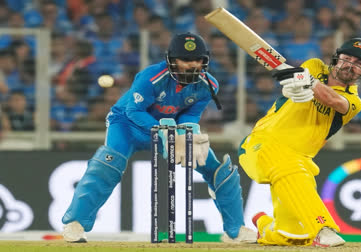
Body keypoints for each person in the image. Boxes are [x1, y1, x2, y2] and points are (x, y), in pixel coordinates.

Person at [61, 32, 256, 243]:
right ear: (172, 60)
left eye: (198, 60)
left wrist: (189, 131)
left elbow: (190, 114)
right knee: (109, 164)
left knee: (217, 169)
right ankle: (75, 224)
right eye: (187, 60)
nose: (193, 65)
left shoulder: (209, 85)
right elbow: (133, 111)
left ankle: (235, 230)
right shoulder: (151, 77)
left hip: (170, 128)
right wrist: (159, 128)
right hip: (128, 125)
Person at [240, 38, 361, 247]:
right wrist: (294, 86)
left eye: (359, 63)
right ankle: (323, 228)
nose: (350, 65)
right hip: (261, 144)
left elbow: (333, 101)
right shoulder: (314, 66)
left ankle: (264, 226)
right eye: (346, 58)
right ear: (336, 58)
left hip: (297, 162)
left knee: (294, 236)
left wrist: (307, 83)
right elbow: (299, 82)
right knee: (289, 167)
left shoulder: (354, 102)